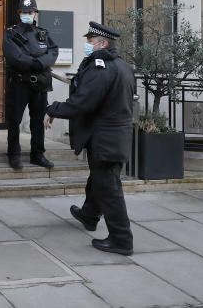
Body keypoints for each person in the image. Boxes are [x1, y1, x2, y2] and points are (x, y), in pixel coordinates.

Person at [45, 21, 135, 256]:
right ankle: (89, 214)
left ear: (102, 43)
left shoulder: (101, 68)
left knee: (109, 187)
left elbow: (83, 102)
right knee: (100, 178)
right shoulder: (123, 66)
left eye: (90, 41)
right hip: (116, 135)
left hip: (106, 137)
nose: (86, 44)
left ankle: (121, 239)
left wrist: (54, 108)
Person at [4, 0, 59, 170]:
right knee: (14, 121)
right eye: (24, 12)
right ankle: (14, 154)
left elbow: (53, 51)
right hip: (19, 84)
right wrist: (38, 63)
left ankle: (37, 154)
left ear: (35, 13)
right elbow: (15, 56)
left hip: (39, 86)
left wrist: (40, 63)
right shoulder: (11, 33)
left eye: (31, 11)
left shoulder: (42, 33)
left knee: (38, 122)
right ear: (19, 13)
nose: (28, 14)